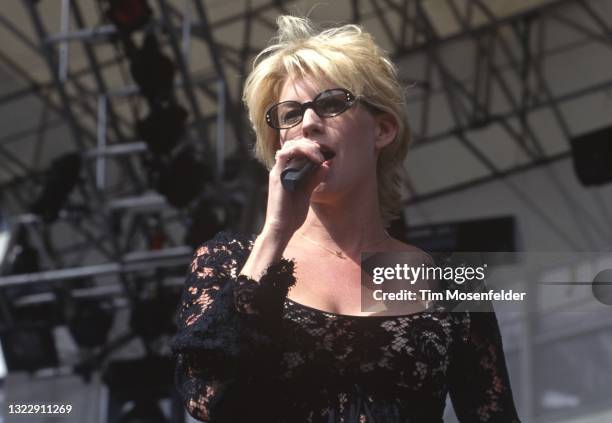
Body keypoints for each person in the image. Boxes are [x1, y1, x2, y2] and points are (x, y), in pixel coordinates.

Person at [172, 15, 521, 422]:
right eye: (289, 114)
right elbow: (205, 397)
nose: (308, 122)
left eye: (332, 104)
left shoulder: (451, 286)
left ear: (383, 129)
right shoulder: (228, 260)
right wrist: (275, 234)